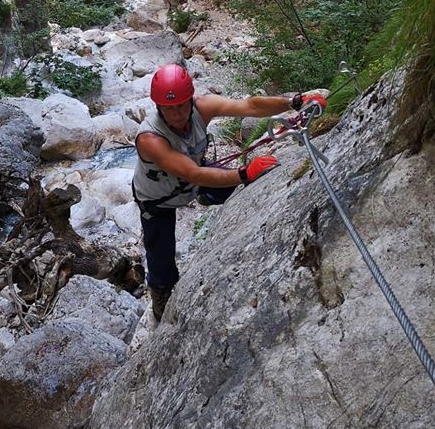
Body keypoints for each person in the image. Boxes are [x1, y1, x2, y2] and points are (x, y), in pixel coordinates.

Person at [132, 63, 326, 321]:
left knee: (223, 185)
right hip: (158, 201)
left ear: (190, 99)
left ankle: (207, 196)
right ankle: (161, 297)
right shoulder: (150, 139)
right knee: (162, 257)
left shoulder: (202, 107)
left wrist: (294, 101)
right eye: (169, 109)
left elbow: (250, 106)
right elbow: (194, 174)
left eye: (181, 105)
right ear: (158, 107)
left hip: (193, 181)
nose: (177, 114)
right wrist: (244, 174)